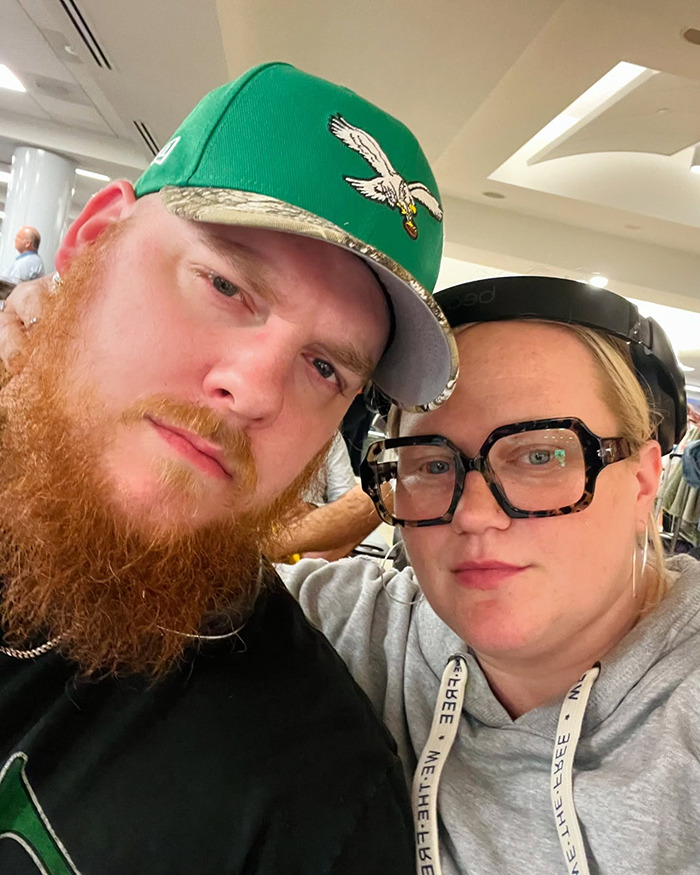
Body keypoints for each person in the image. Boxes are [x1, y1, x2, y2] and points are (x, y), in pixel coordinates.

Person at [0, 61, 457, 873]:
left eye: (326, 368)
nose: (252, 391)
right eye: (225, 284)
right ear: (95, 240)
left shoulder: (311, 801)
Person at [281, 276, 700, 875]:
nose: (475, 514)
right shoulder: (345, 629)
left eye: (540, 455)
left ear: (642, 481)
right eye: (431, 462)